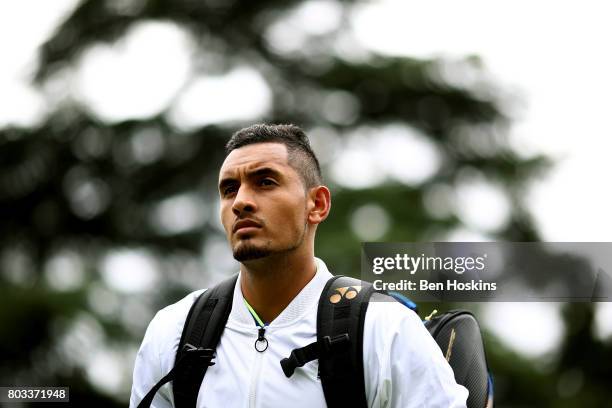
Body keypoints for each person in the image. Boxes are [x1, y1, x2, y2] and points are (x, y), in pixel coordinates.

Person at [130, 124, 468, 407]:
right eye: (229, 189)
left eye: (265, 182)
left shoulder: (384, 329)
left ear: (317, 204)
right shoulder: (174, 331)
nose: (241, 202)